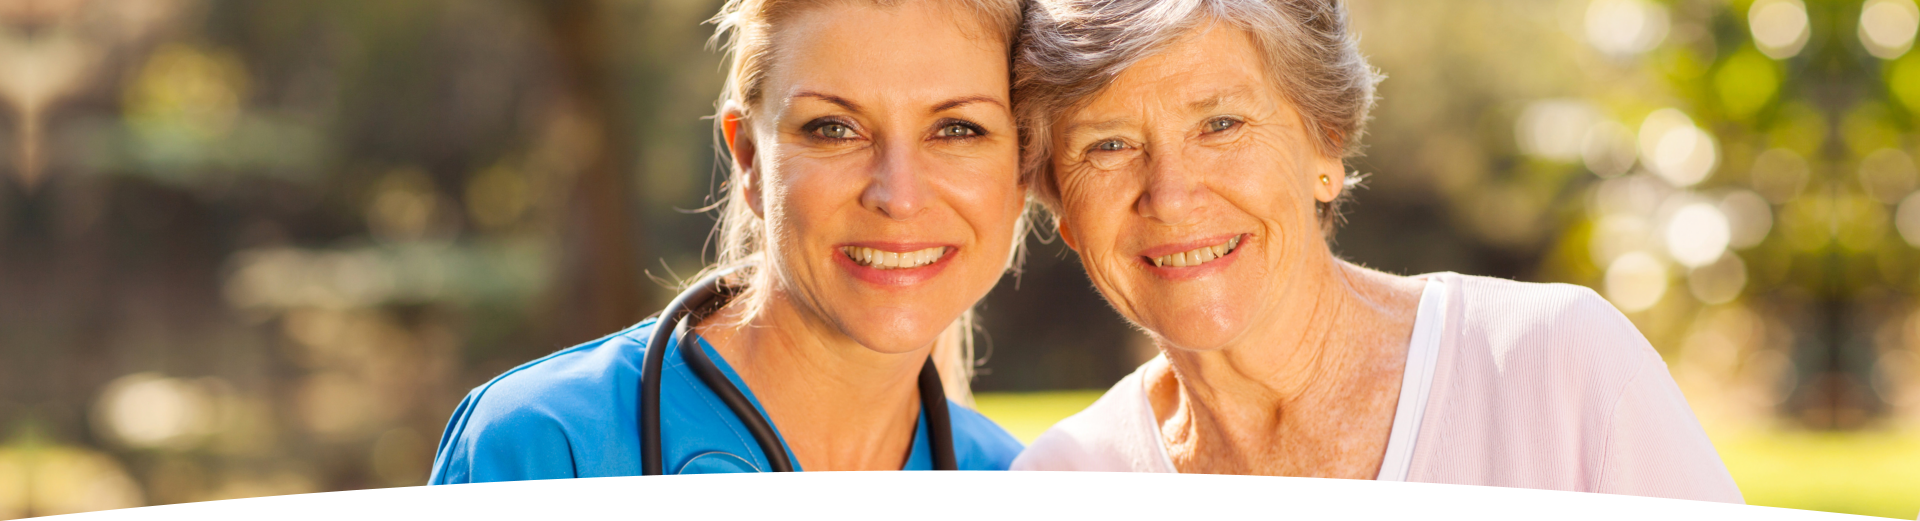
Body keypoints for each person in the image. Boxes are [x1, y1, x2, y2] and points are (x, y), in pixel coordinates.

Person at [1007, 0, 1744, 502]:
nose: (1168, 194)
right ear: (1062, 207)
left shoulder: (1557, 366)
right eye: (1108, 145)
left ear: (1326, 141)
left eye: (1221, 125)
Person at [429, 0, 1027, 478]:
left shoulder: (1017, 463)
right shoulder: (545, 444)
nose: (898, 196)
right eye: (834, 128)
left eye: (957, 129)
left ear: (1026, 169)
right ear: (748, 158)